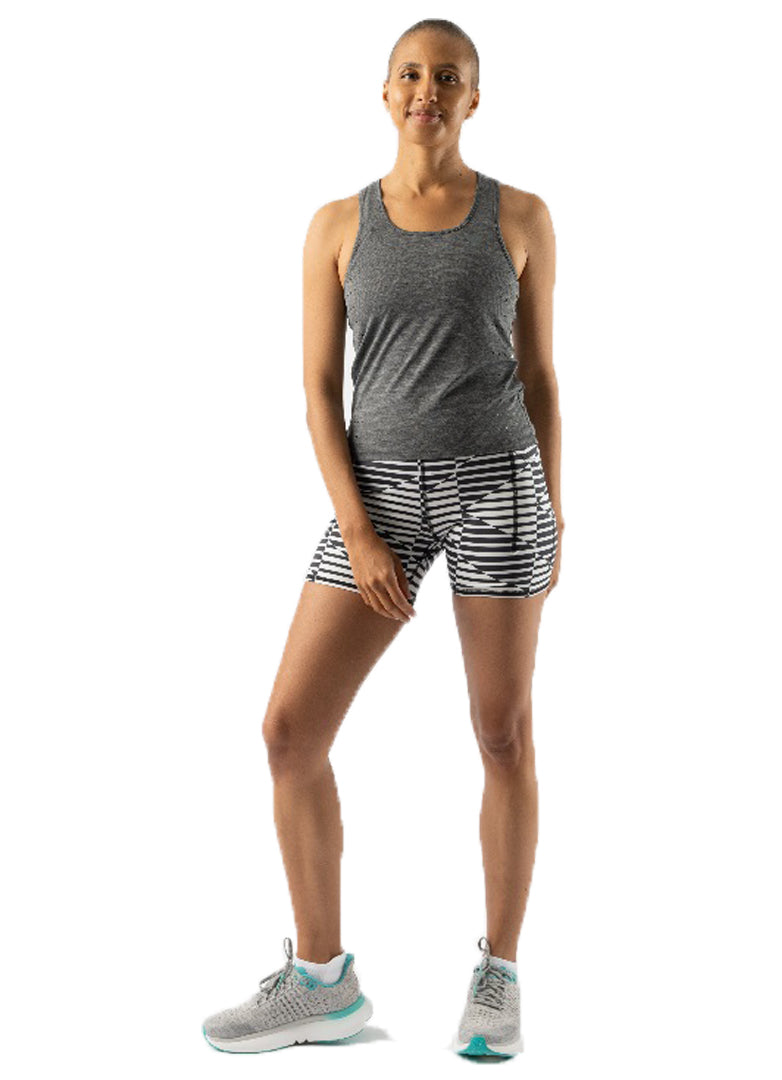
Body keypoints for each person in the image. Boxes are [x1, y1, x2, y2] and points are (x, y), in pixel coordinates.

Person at [202, 18, 563, 1058]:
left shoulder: (522, 216)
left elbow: (541, 376)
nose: (426, 90)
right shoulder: (336, 226)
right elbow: (319, 392)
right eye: (410, 73)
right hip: (381, 500)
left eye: (448, 76)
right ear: (385, 90)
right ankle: (323, 984)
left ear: (473, 98)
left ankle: (497, 976)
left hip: (498, 487)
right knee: (288, 731)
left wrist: (553, 508)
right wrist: (360, 531)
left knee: (501, 733)